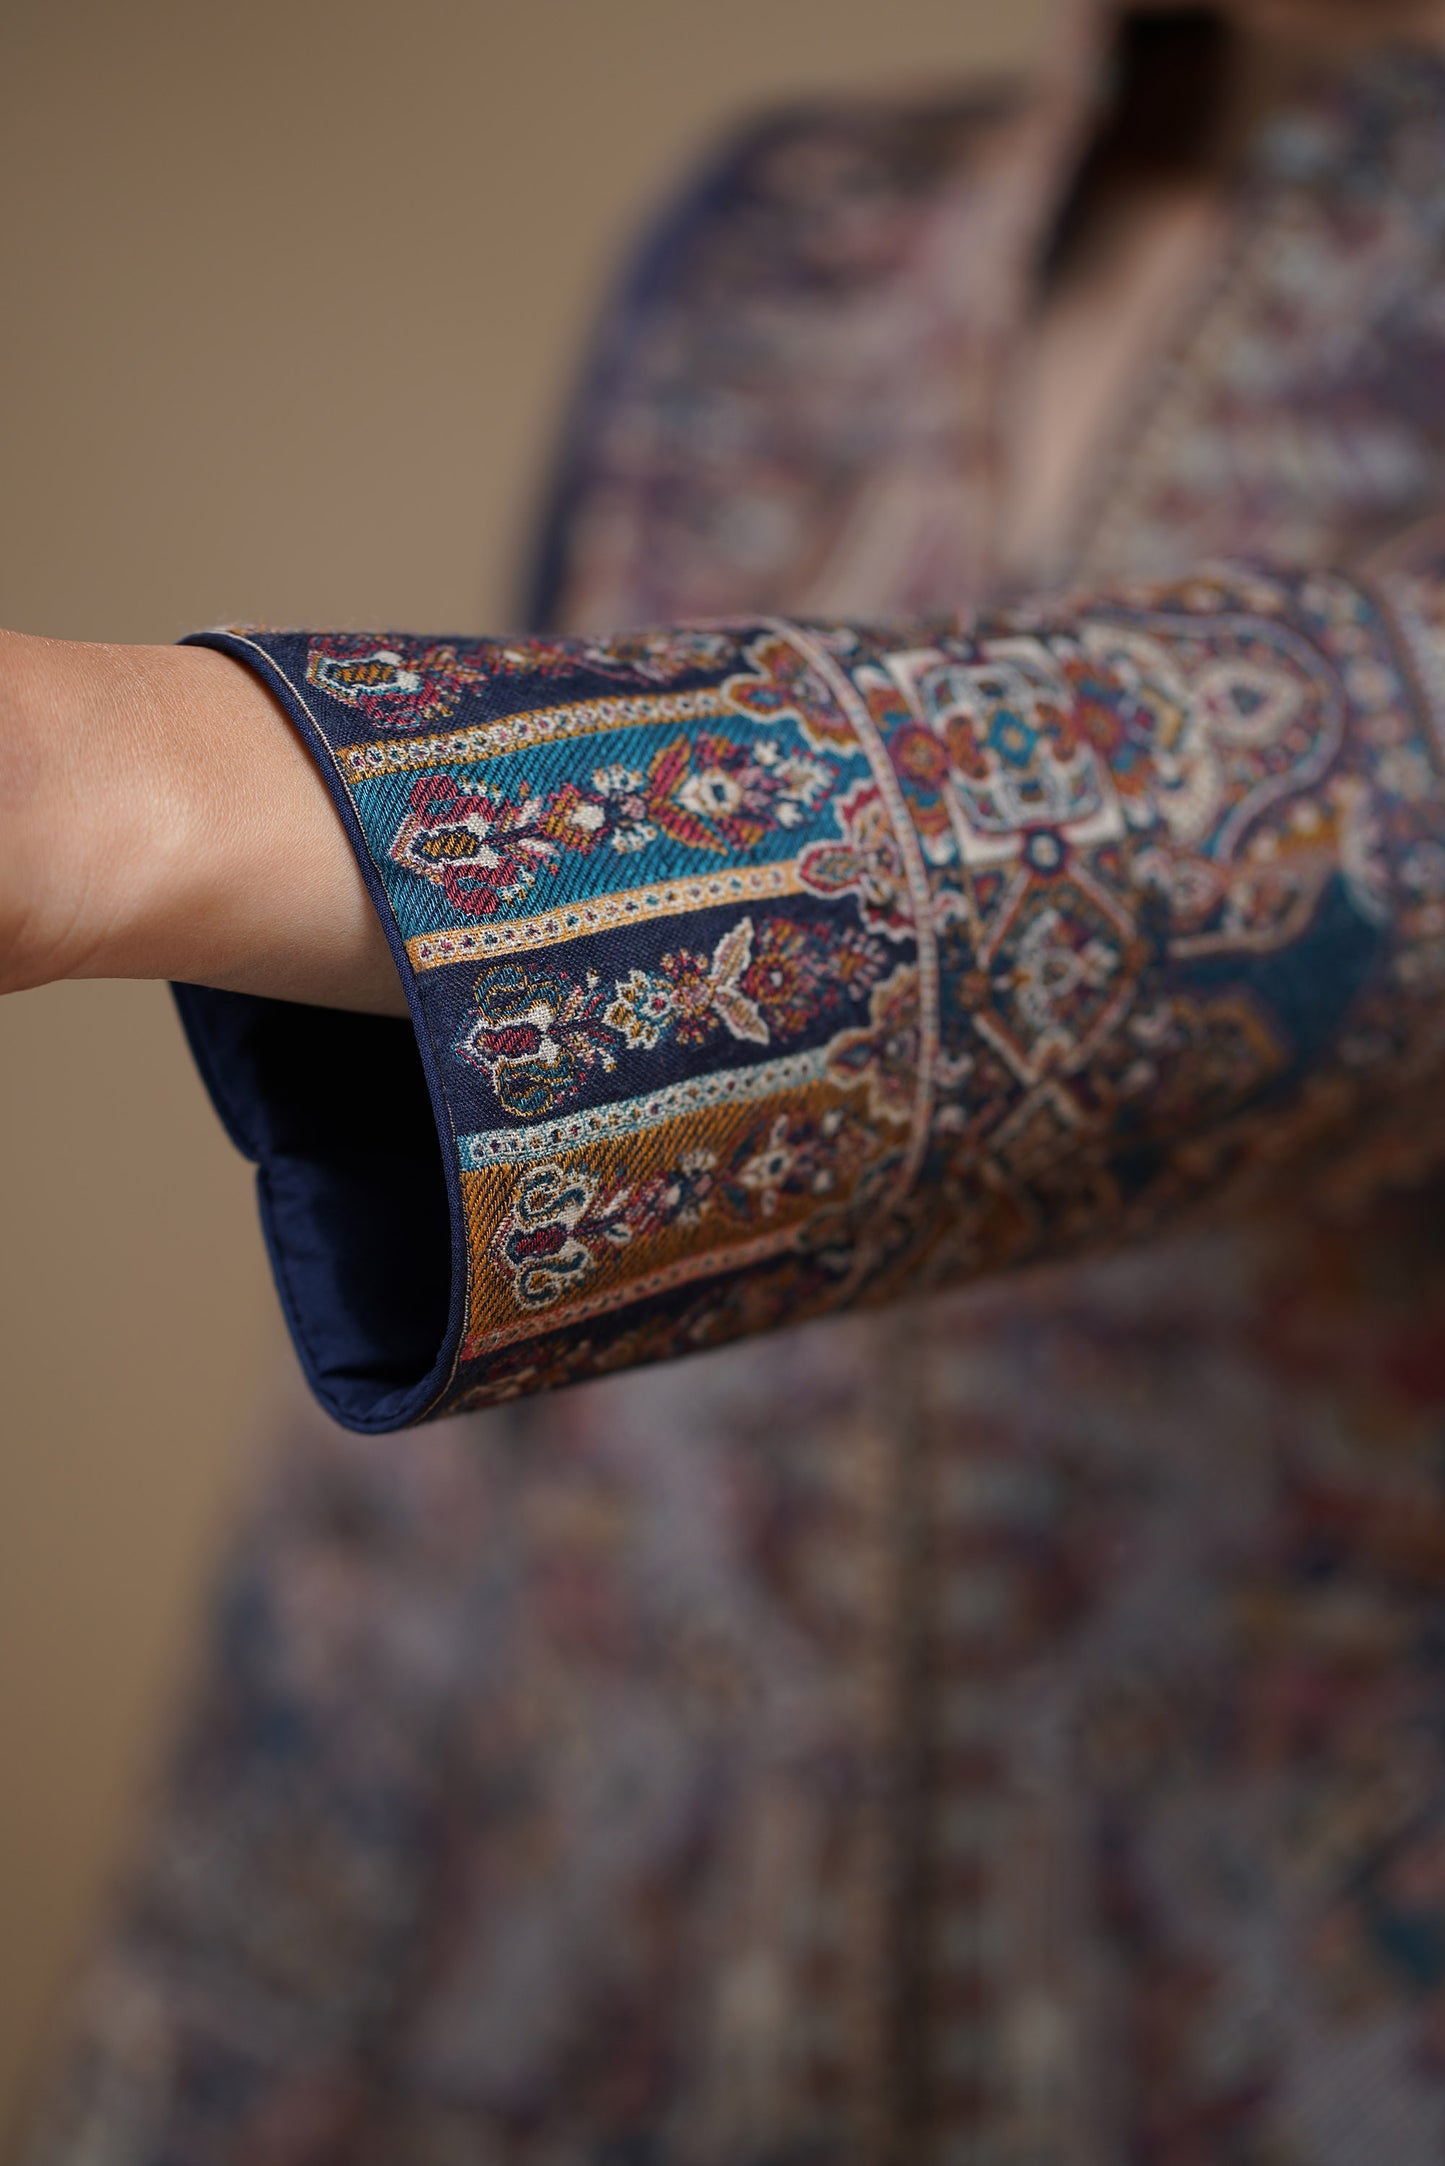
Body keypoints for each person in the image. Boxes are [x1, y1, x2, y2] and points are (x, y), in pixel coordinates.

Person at [12, 0, 1445, 2156]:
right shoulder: (788, 244)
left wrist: (97, 789)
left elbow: (1368, 833)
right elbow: (511, 1169)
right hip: (627, 1984)